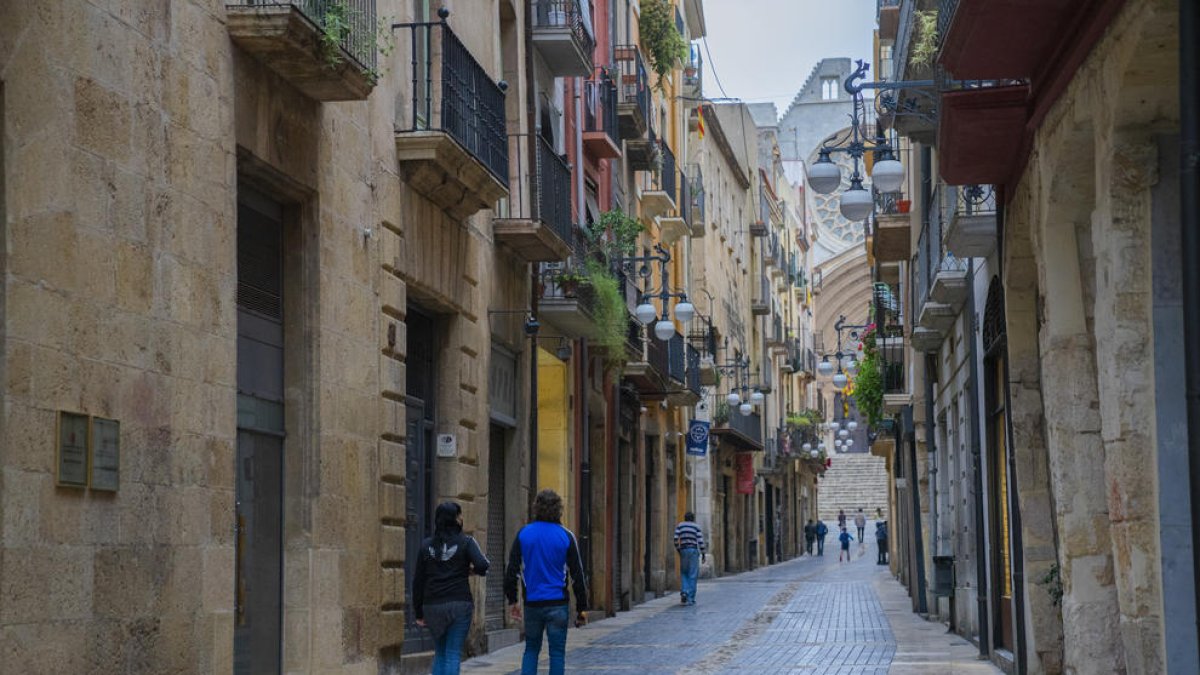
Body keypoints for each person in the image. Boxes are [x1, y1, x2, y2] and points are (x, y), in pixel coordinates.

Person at [505, 489, 589, 675]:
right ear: (559, 509)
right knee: (557, 654)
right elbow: (577, 575)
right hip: (558, 604)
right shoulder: (566, 536)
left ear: (536, 508)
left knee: (531, 650)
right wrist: (582, 607)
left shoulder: (524, 534)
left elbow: (512, 571)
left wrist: (512, 601)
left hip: (532, 603)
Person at [412, 501, 490, 675]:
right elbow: (483, 565)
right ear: (455, 519)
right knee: (453, 653)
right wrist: (470, 570)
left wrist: (418, 612)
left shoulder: (426, 546)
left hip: (432, 605)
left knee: (440, 653)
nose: (462, 518)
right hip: (459, 604)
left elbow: (418, 581)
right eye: (459, 514)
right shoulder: (466, 542)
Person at [673, 512, 706, 605]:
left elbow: (675, 538)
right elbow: (700, 540)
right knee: (693, 574)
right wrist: (703, 553)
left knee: (684, 572)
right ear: (693, 518)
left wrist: (678, 548)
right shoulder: (696, 527)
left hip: (683, 550)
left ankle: (684, 591)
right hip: (693, 550)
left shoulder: (680, 526)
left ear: (685, 518)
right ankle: (690, 598)